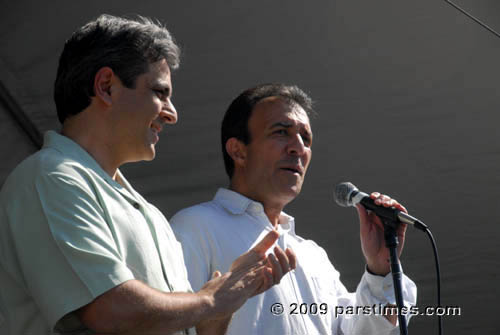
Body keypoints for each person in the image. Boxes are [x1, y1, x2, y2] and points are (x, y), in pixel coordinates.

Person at [0, 16, 296, 335]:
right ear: (106, 87)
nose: (172, 113)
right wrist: (211, 300)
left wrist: (224, 305)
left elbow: (173, 323)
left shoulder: (151, 215)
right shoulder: (51, 177)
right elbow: (112, 312)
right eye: (159, 92)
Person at [171, 83, 417, 335]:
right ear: (238, 150)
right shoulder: (196, 226)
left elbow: (361, 331)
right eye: (281, 132)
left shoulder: (311, 254)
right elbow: (170, 327)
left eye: (306, 139)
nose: (298, 148)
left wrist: (380, 269)